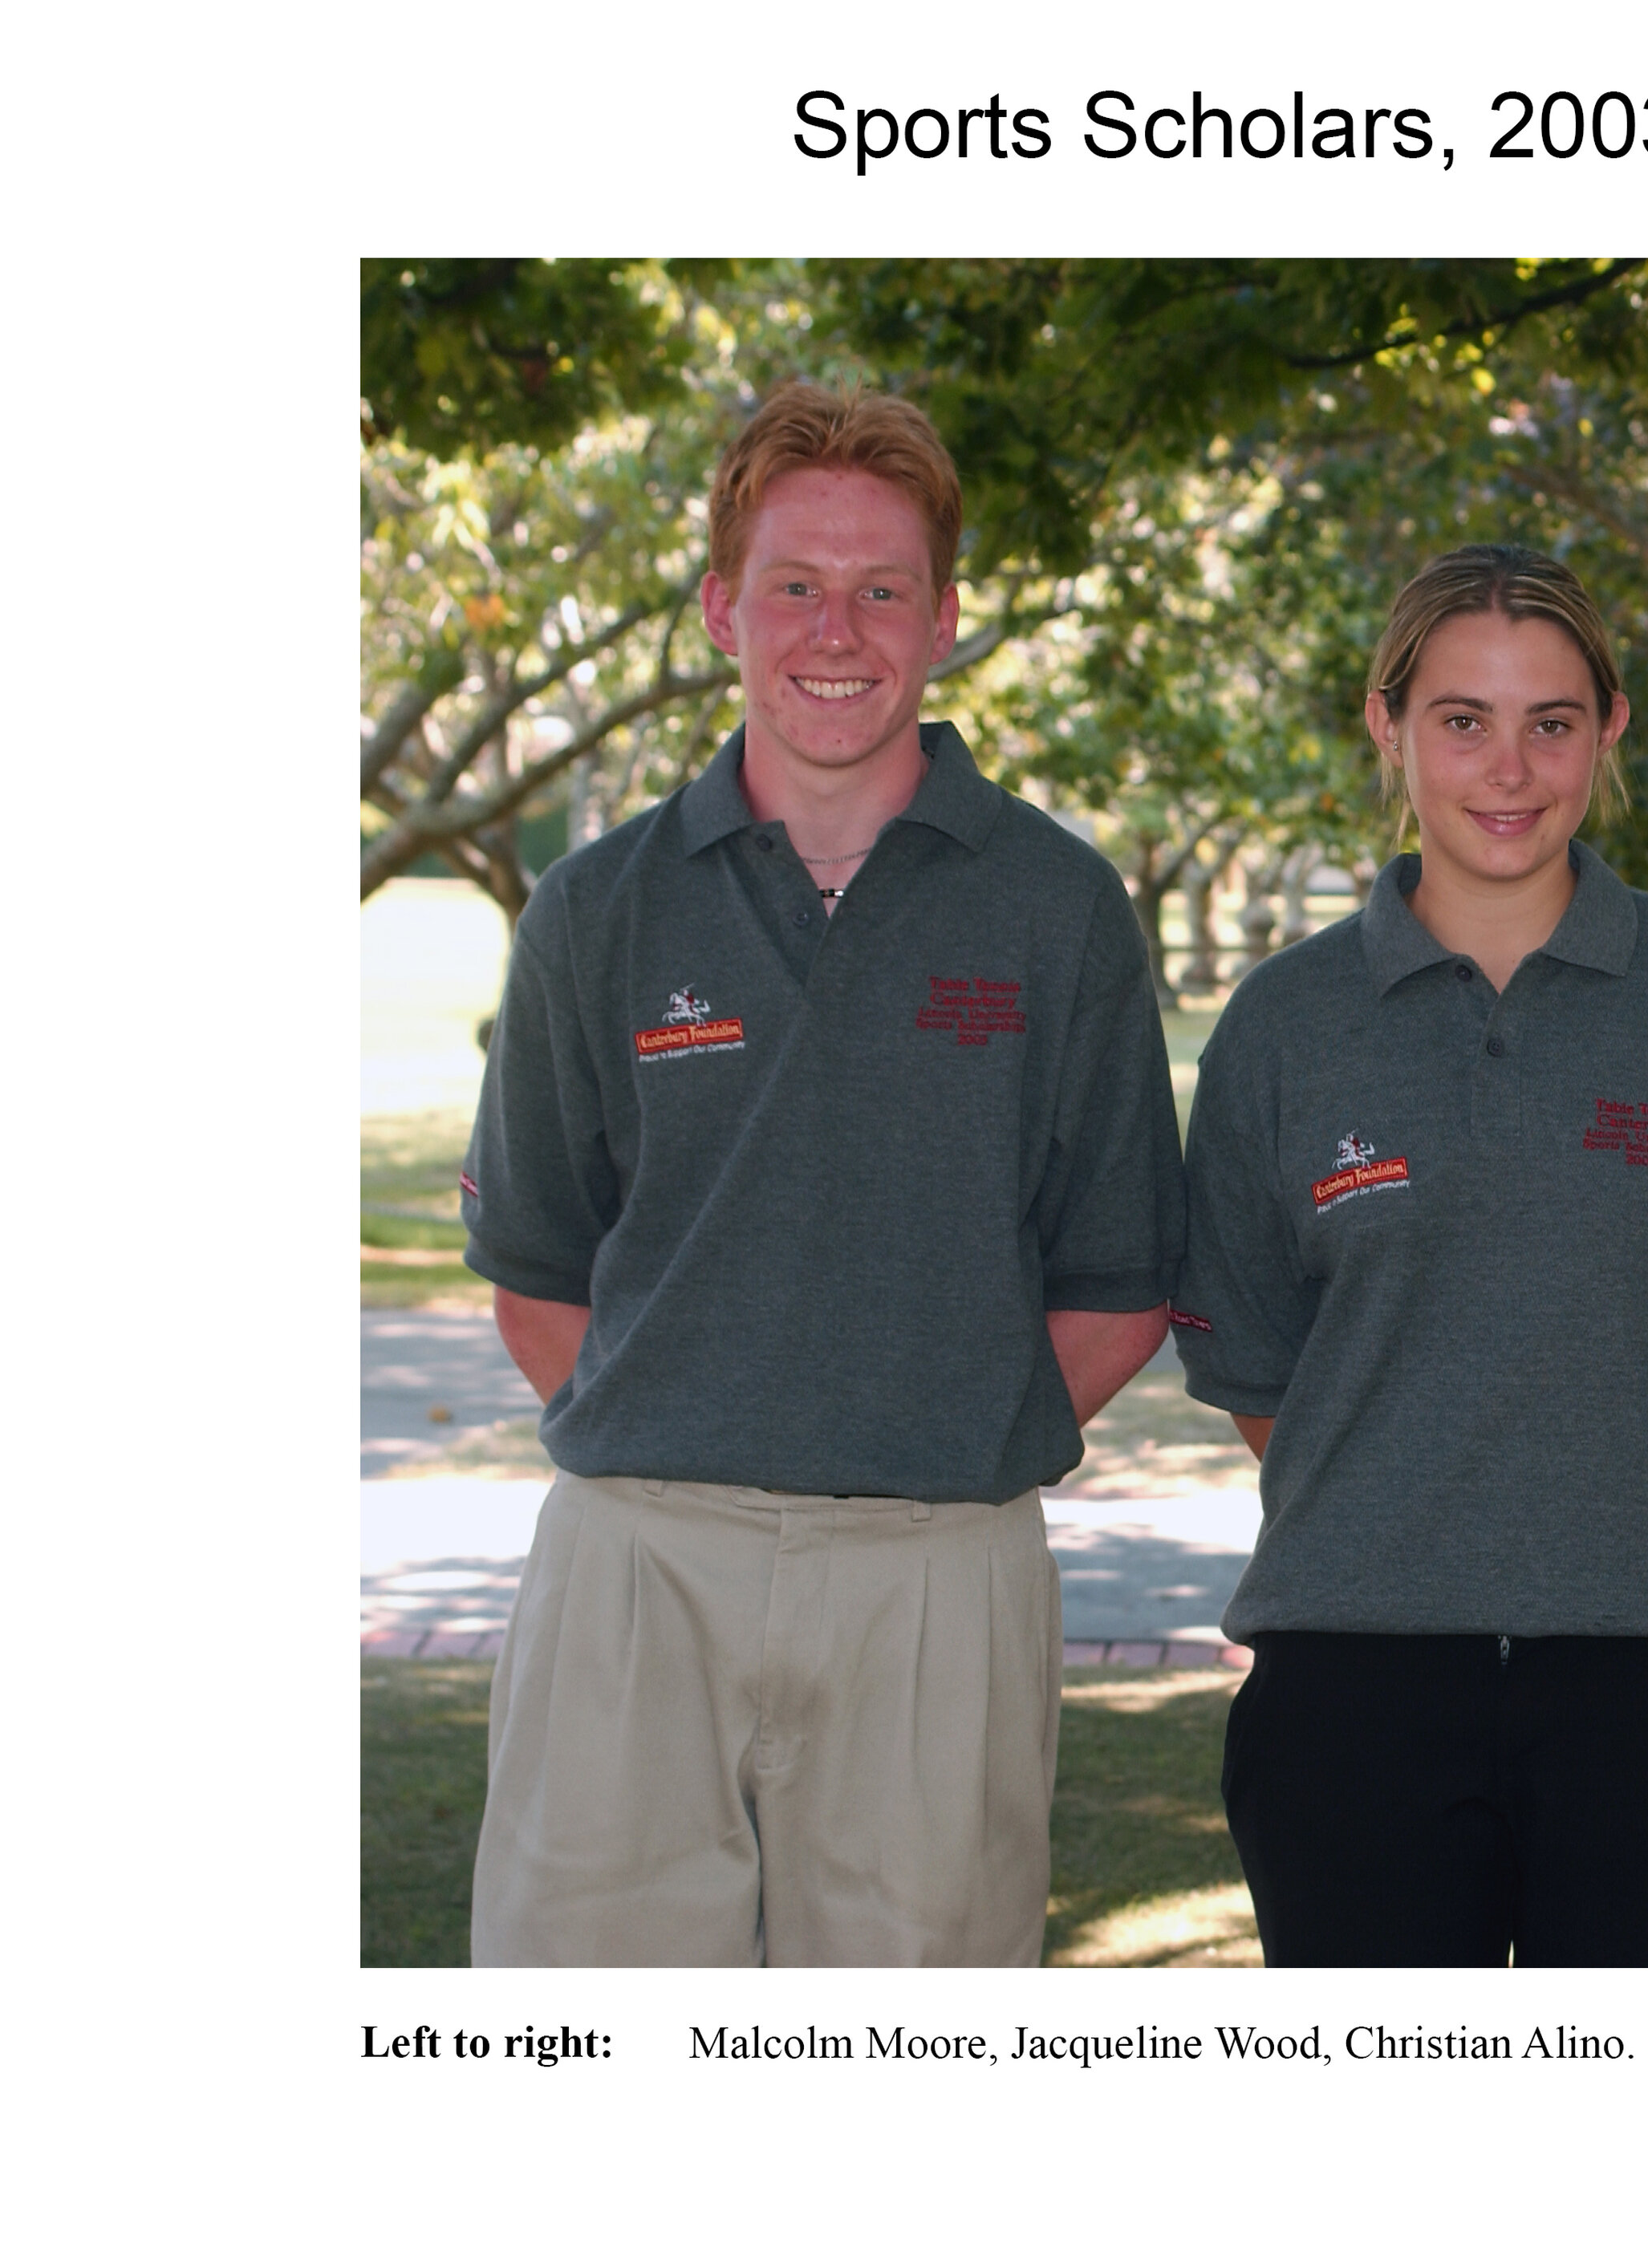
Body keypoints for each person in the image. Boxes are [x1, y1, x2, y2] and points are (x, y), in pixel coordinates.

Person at [457, 382, 1183, 1966]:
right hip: (637, 1568)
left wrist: (917, 1440)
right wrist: (706, 1437)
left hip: (938, 1570)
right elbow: (537, 1275)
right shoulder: (594, 913)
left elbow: (1119, 1282)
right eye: (793, 583)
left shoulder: (1058, 911)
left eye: (881, 588)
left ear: (942, 619)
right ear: (722, 606)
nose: (834, 629)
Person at [1170, 545, 1648, 1966]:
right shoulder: (1285, 1024)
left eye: (1552, 721)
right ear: (1387, 724)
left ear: (1608, 730)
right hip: (1352, 1684)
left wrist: (1620, 1465)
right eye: (1461, 720)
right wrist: (1415, 1481)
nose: (1509, 768)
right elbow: (1253, 1362)